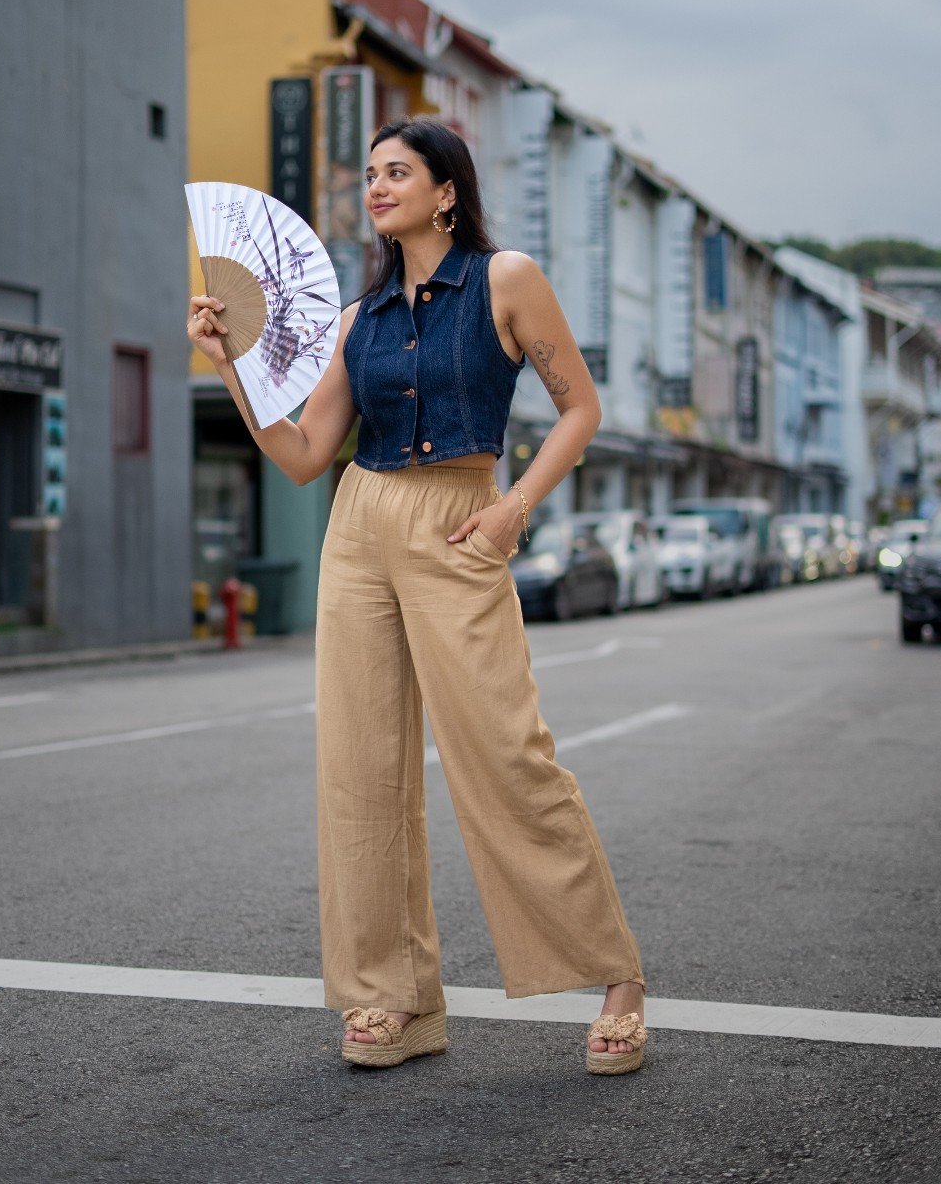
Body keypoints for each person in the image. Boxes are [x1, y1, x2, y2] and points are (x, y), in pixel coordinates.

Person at [187, 115, 648, 1075]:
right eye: (369, 174)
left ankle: (615, 977)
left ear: (447, 190)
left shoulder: (505, 280)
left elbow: (582, 408)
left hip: (459, 519)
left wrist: (515, 506)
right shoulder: (359, 323)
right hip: (359, 523)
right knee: (360, 770)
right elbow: (306, 456)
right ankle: (392, 998)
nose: (377, 185)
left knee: (506, 754)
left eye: (398, 171)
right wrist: (231, 362)